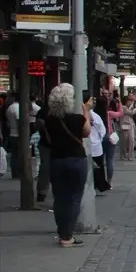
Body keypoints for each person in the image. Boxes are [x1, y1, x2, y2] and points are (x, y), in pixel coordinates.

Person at [42, 84, 92, 247]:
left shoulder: (50, 120)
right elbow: (86, 132)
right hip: (76, 159)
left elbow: (48, 140)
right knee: (74, 198)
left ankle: (62, 232)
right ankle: (67, 236)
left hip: (56, 160)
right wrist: (85, 110)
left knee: (59, 198)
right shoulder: (76, 118)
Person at [86, 94, 111, 194]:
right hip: (96, 146)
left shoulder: (83, 115)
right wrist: (99, 139)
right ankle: (99, 185)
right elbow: (102, 130)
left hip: (87, 146)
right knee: (98, 167)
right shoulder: (96, 117)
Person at [119, 93, 136, 161]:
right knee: (124, 141)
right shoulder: (123, 107)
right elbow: (131, 112)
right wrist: (135, 109)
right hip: (124, 124)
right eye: (129, 101)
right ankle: (123, 155)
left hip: (131, 125)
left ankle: (130, 155)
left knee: (131, 140)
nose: (130, 102)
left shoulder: (129, 107)